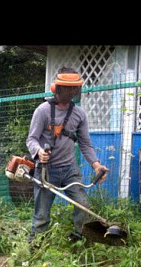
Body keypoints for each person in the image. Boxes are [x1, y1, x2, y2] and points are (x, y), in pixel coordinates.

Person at [26, 67, 109, 243]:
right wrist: (39, 152)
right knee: (41, 214)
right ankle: (34, 247)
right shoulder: (43, 111)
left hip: (70, 169)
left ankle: (79, 237)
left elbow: (85, 144)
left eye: (75, 88)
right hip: (46, 170)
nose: (72, 92)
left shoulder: (80, 114)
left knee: (83, 205)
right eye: (68, 88)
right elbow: (31, 139)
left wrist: (96, 165)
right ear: (57, 88)